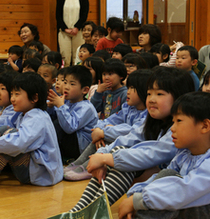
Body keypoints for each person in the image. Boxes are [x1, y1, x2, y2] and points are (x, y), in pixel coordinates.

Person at [70, 66, 195, 212]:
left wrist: (108, 158)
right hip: (151, 178)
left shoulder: (180, 129)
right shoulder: (151, 121)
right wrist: (101, 155)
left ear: (180, 97)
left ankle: (93, 211)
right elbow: (130, 138)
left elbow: (153, 153)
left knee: (123, 158)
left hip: (169, 187)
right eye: (149, 94)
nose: (152, 99)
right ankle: (81, 210)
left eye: (160, 94)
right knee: (118, 152)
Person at [119, 92, 210, 219]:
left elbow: (183, 190)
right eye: (173, 122)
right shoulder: (184, 153)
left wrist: (140, 201)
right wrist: (137, 195)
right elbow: (162, 177)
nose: (172, 128)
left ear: (205, 126)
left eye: (179, 121)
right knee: (166, 175)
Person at [0, 73, 63, 186]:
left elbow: (18, 143)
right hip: (31, 167)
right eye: (12, 94)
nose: (12, 99)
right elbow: (1, 127)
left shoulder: (37, 117)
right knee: (5, 130)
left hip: (40, 174)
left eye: (17, 94)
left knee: (11, 137)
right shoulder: (22, 114)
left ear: (34, 97)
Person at [64, 69, 150, 181]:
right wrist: (99, 129)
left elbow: (132, 131)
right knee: (100, 137)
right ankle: (79, 163)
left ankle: (88, 168)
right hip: (120, 140)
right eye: (128, 88)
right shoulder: (128, 108)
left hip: (134, 147)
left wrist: (105, 132)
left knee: (107, 138)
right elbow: (110, 120)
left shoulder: (147, 114)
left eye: (133, 89)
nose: (128, 92)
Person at [48, 65, 98, 159]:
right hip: (70, 142)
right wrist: (51, 106)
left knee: (58, 125)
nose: (66, 87)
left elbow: (69, 127)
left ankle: (51, 155)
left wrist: (60, 106)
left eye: (72, 84)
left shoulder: (86, 107)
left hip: (80, 147)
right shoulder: (67, 101)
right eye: (65, 82)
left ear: (85, 90)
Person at [56, 0, 89, 67]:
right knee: (65, 56)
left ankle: (77, 74)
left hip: (78, 32)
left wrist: (77, 27)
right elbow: (58, 15)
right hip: (64, 32)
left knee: (78, 56)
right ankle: (64, 75)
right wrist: (65, 28)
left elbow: (84, 15)